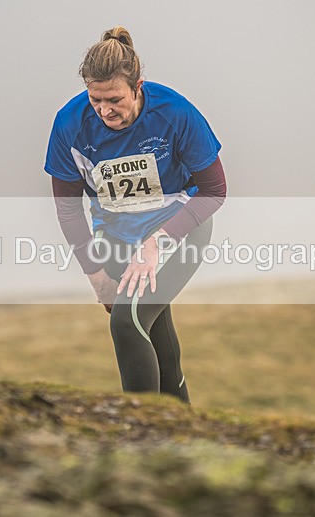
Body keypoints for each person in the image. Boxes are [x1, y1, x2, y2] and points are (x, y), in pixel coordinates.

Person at [44, 26, 226, 403]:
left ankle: (141, 439)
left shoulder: (175, 114)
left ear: (137, 86)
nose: (105, 110)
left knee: (128, 322)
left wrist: (156, 244)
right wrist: (95, 275)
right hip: (115, 237)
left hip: (178, 230)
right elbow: (67, 208)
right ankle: (180, 441)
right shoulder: (69, 124)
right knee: (155, 338)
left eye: (114, 98)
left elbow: (214, 191)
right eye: (95, 100)